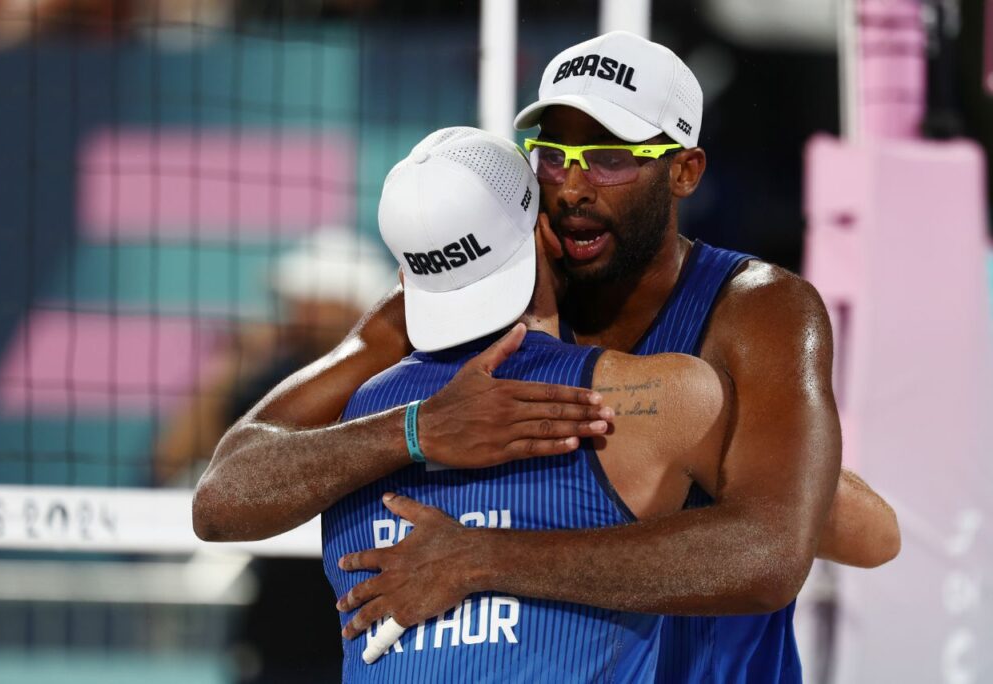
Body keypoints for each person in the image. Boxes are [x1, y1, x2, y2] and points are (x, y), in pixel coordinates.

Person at [194, 32, 900, 683]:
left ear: (684, 171)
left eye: (612, 157)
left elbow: (778, 554)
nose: (572, 185)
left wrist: (481, 560)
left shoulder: (757, 309)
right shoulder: (470, 289)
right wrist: (413, 430)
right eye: (553, 153)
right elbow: (225, 495)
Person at [323, 126, 742, 680]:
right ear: (545, 234)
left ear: (407, 276)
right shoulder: (658, 399)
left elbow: (222, 495)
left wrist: (477, 552)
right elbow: (841, 537)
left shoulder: (346, 416)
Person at [159, 231, 391, 682]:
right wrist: (233, 361)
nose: (291, 312)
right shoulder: (267, 380)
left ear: (346, 306)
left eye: (305, 300)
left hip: (368, 620)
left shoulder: (398, 381)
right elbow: (174, 456)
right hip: (284, 627)